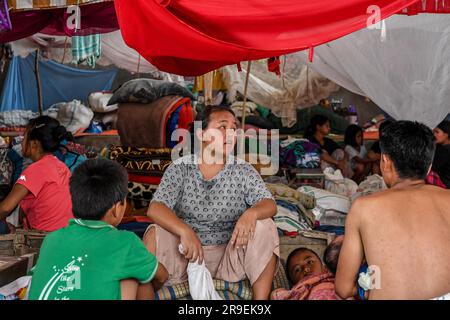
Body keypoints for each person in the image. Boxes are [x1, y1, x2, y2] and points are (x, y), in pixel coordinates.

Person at [144, 105, 279, 300]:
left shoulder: (243, 170)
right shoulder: (180, 168)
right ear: (201, 134)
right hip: (187, 255)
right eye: (222, 127)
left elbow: (269, 204)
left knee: (265, 226)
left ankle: (261, 301)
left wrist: (252, 213)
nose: (230, 133)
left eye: (233, 128)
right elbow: (155, 208)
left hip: (230, 260)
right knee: (154, 231)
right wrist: (185, 231)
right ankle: (145, 295)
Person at [336, 121, 450, 300]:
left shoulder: (364, 208)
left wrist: (367, 290)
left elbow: (343, 289)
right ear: (429, 167)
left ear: (385, 161)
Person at [28, 159, 168, 300]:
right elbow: (162, 276)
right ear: (116, 208)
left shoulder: (51, 239)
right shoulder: (126, 242)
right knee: (140, 276)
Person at [0, 116, 73, 232]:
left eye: (24, 138)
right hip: (65, 234)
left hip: (42, 239)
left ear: (34, 143)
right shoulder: (63, 168)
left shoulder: (34, 170)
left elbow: (5, 209)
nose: (21, 142)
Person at [271, 247, 340, 300]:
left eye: (310, 262)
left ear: (324, 267)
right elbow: (276, 296)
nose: (306, 269)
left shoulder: (337, 279)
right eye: (297, 270)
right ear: (295, 284)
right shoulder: (297, 291)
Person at [432, 120, 450, 188]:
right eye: (433, 132)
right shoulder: (441, 147)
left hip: (443, 185)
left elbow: (432, 167)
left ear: (446, 134)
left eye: (437, 132)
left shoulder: (446, 150)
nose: (434, 134)